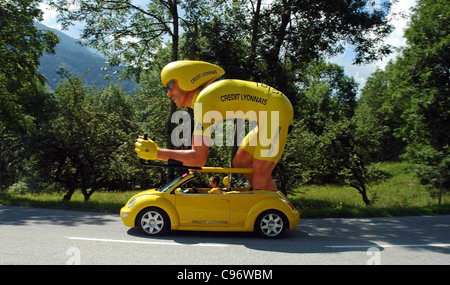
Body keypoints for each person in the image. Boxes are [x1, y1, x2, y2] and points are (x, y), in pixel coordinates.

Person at [135, 60, 293, 191]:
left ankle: (270, 209)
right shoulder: (203, 102)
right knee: (240, 163)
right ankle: (261, 198)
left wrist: (157, 153)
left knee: (260, 172)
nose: (168, 93)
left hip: (276, 112)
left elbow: (198, 158)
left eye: (170, 86)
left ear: (185, 80)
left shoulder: (204, 101)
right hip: (270, 112)